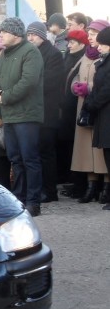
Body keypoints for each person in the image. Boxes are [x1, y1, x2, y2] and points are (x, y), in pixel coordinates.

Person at [0, 17, 45, 216]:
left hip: (27, 115)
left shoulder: (31, 52)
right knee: (15, 158)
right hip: (10, 115)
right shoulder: (5, 54)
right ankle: (19, 198)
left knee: (29, 158)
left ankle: (33, 201)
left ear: (15, 33)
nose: (1, 35)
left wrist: (5, 97)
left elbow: (28, 82)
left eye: (4, 32)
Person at [25, 21, 66, 202]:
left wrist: (26, 86)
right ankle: (39, 188)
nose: (30, 38)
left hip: (47, 111)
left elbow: (50, 82)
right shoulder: (30, 52)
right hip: (33, 110)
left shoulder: (53, 54)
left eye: (33, 34)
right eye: (28, 35)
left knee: (46, 152)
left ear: (42, 35)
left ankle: (50, 191)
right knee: (35, 152)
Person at [68, 27, 108, 204]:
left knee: (102, 150)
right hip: (85, 107)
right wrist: (75, 86)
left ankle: (105, 188)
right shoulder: (86, 55)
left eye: (94, 35)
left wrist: (89, 88)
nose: (91, 38)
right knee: (86, 150)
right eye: (90, 35)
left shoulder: (104, 57)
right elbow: (75, 76)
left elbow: (103, 84)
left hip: (99, 107)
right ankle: (90, 186)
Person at [81, 27, 110, 209]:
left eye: (103, 44)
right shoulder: (104, 62)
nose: (99, 47)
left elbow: (106, 90)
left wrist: (91, 104)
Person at [59, 29, 90, 198]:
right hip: (65, 109)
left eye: (73, 42)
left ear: (82, 44)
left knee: (77, 147)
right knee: (69, 147)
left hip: (76, 109)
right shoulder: (67, 57)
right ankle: (73, 181)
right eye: (68, 42)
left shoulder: (84, 59)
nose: (69, 45)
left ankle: (80, 184)